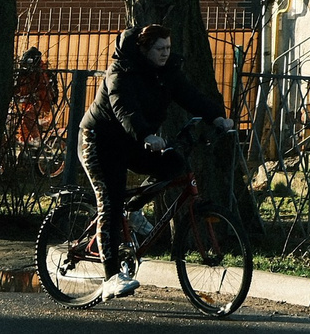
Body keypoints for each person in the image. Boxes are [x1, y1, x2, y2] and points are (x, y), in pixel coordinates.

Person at [79, 23, 234, 303]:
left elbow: (191, 96)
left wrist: (216, 116)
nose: (165, 53)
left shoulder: (167, 74)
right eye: (159, 48)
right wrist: (146, 134)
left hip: (135, 142)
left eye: (169, 48)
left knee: (174, 165)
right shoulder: (121, 72)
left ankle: (133, 210)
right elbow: (124, 108)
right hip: (100, 142)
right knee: (111, 201)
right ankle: (112, 277)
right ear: (143, 49)